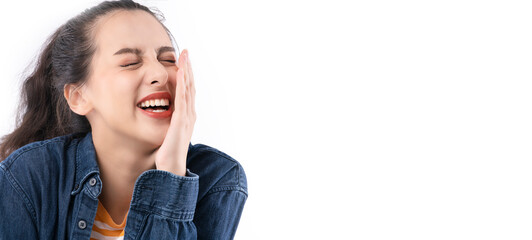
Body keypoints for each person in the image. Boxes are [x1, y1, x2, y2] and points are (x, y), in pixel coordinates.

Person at [0, 0, 247, 239]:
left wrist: (172, 177)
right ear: (78, 97)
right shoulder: (25, 177)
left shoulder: (219, 179)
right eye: (130, 63)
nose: (159, 74)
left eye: (168, 60)